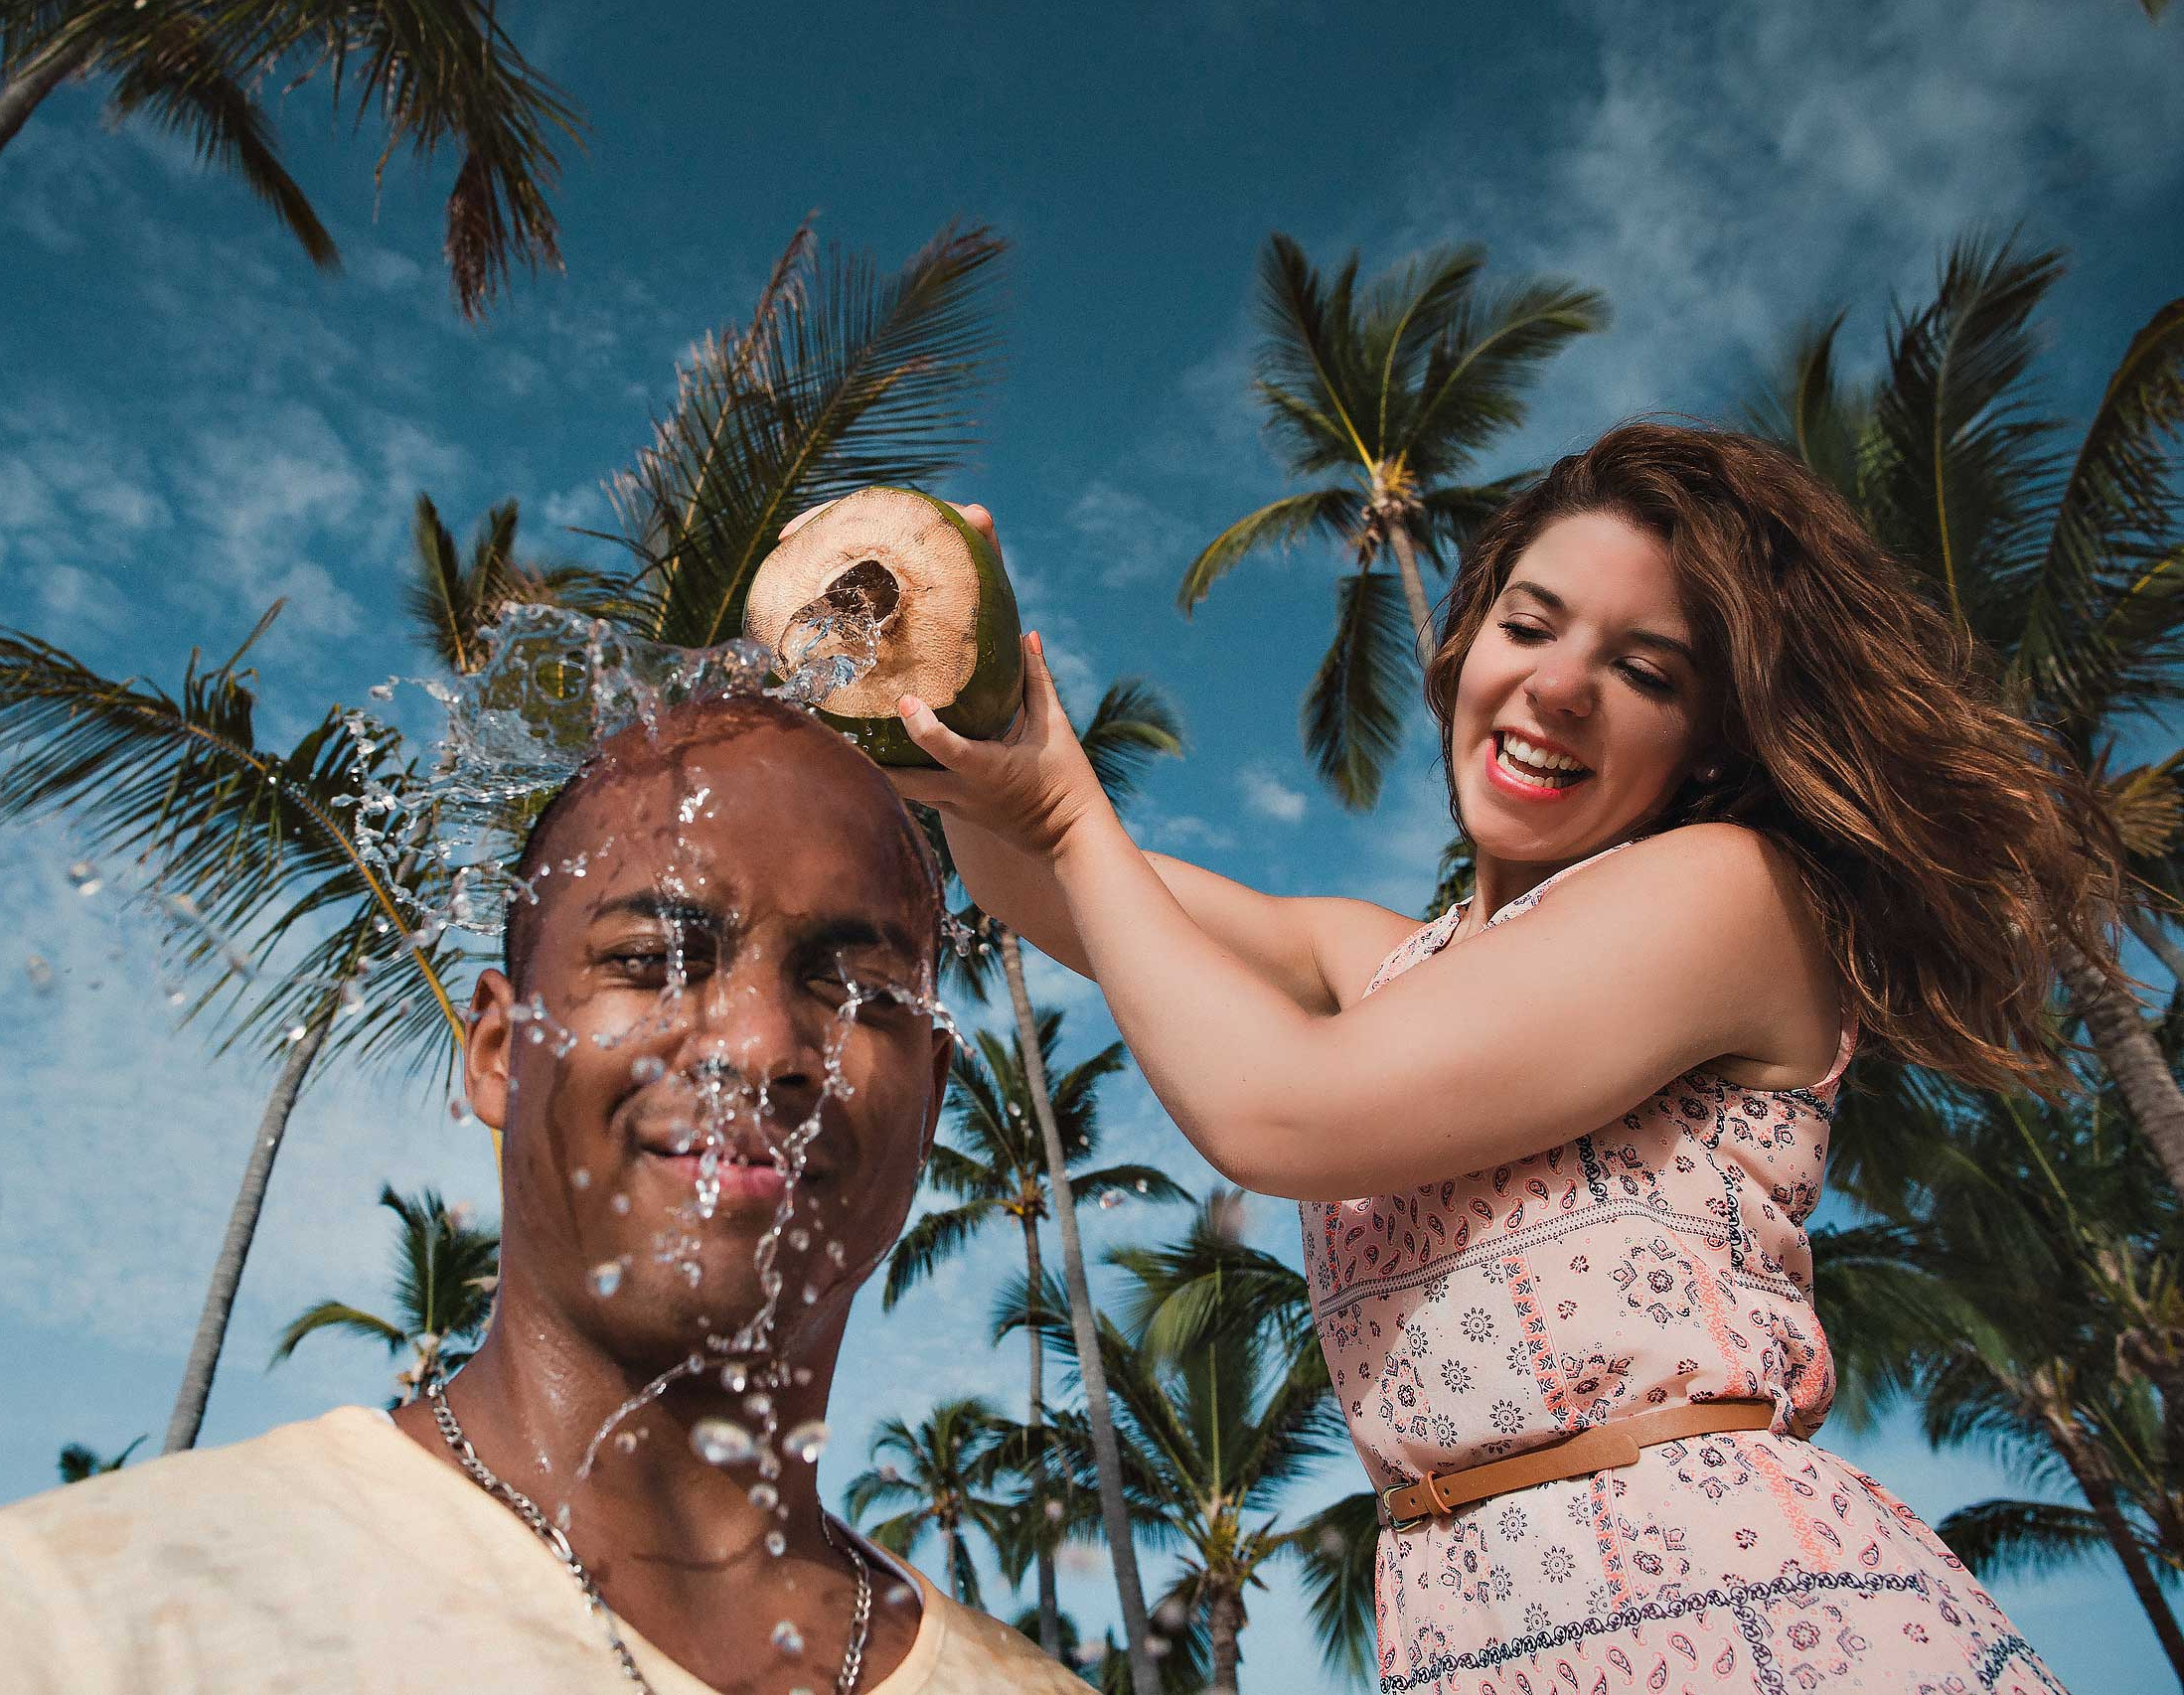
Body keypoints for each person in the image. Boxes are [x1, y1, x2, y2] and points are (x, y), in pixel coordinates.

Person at [898, 422, 2116, 1693]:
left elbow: (1280, 1112)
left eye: (1644, 669)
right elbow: (1040, 877)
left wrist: (1059, 800)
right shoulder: (1374, 958)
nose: (1559, 686)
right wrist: (961, 677)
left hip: (1729, 1608)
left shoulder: (1729, 891)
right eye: (1529, 626)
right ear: (1467, 640)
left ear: (1707, 740)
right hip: (1461, 1625)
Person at [0, 695, 1083, 1695]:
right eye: (655, 958)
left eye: (857, 986)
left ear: (934, 1083)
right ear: (503, 1052)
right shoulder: (73, 1628)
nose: (756, 1039)